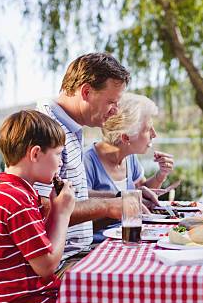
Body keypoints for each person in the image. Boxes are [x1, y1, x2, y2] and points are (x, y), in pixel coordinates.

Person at [34, 53, 160, 260]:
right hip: (62, 263)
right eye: (112, 102)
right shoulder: (46, 130)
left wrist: (124, 196)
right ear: (86, 91)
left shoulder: (69, 128)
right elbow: (42, 209)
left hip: (79, 254)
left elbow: (71, 195)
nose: (116, 111)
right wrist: (109, 207)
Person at [0, 110, 75, 303]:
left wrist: (54, 210)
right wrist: (63, 213)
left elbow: (40, 250)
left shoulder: (14, 192)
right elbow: (46, 266)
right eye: (58, 154)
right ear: (35, 153)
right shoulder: (16, 199)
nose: (61, 162)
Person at [84, 93, 174, 196]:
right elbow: (81, 202)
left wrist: (161, 174)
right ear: (126, 137)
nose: (154, 135)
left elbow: (143, 192)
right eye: (148, 129)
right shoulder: (87, 161)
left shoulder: (129, 157)